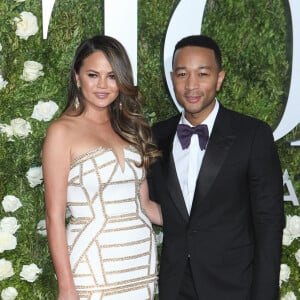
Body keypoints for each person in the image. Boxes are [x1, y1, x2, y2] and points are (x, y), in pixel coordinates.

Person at [147, 35, 284, 300]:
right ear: (172, 77)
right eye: (183, 74)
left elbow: (268, 221)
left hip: (234, 287)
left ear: (219, 78)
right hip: (176, 288)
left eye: (203, 74)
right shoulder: (157, 136)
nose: (192, 85)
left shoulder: (252, 135)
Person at [42, 35, 162, 300]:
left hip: (140, 263)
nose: (103, 85)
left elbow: (145, 205)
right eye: (93, 75)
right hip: (91, 265)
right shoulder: (62, 132)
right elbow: (54, 215)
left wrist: (202, 222)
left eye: (111, 76)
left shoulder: (130, 128)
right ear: (77, 77)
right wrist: (66, 287)